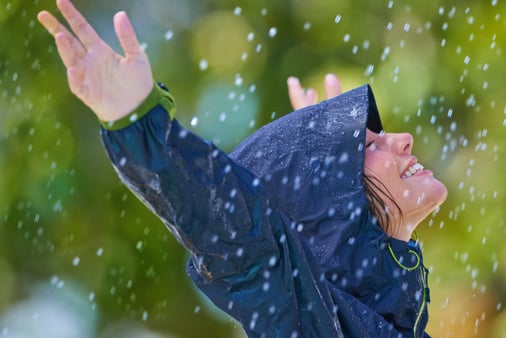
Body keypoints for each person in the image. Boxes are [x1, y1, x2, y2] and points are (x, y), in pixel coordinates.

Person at [38, 1, 448, 337]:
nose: (404, 139)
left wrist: (319, 156)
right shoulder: (306, 324)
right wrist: (137, 122)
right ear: (336, 208)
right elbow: (237, 231)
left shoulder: (383, 320)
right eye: (370, 145)